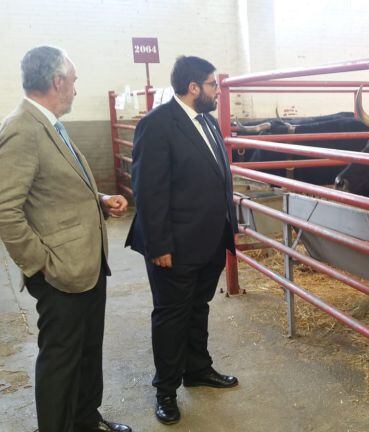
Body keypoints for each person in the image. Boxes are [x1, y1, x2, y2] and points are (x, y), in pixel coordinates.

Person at [0, 46, 130, 432]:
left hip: (86, 264)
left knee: (87, 352)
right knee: (61, 360)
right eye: (75, 81)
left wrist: (99, 201)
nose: (77, 90)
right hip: (60, 273)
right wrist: (41, 264)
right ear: (57, 81)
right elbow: (1, 209)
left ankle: (85, 419)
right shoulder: (22, 128)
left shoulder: (50, 124)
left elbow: (53, 190)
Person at [125, 55, 239, 425]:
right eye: (212, 85)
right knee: (171, 315)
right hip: (173, 245)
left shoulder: (206, 122)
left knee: (197, 307)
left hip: (207, 239)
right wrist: (159, 246)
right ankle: (166, 391)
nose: (217, 91)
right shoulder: (157, 125)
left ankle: (197, 369)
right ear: (193, 88)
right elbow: (148, 191)